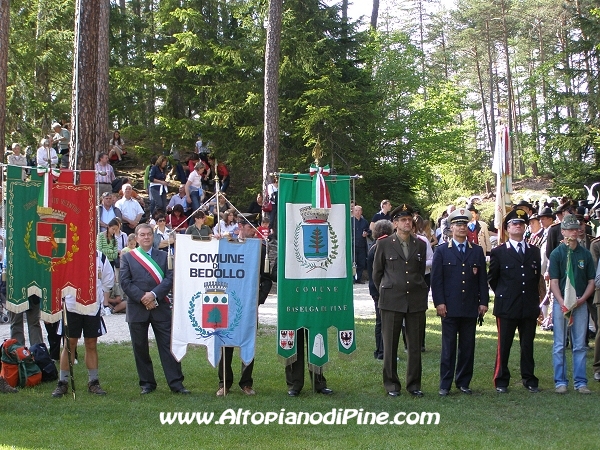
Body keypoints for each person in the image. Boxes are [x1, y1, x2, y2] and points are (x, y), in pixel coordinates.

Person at [120, 224, 189, 395]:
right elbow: (125, 282)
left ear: (153, 236)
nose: (146, 237)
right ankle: (147, 383)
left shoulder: (165, 256)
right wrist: (143, 298)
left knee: (167, 347)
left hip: (160, 307)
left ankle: (176, 383)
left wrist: (153, 295)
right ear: (136, 238)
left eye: (149, 234)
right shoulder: (127, 258)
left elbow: (170, 278)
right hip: (137, 308)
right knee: (140, 347)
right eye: (142, 235)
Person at [431, 208, 489, 396]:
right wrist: (439, 302)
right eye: (457, 224)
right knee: (448, 347)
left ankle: (463, 382)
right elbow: (436, 280)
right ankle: (445, 384)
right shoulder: (441, 251)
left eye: (464, 224)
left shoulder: (477, 251)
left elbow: (482, 279)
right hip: (449, 306)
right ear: (451, 228)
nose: (461, 228)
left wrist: (483, 302)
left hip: (470, 306)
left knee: (467, 347)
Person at [372, 204, 428, 397]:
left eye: (409, 220)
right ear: (395, 223)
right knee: (390, 344)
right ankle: (391, 384)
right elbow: (377, 273)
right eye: (403, 220)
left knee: (414, 345)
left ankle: (414, 385)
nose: (407, 223)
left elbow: (419, 272)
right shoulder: (384, 244)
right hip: (391, 299)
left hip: (414, 299)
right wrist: (388, 288)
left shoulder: (420, 244)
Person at [488, 209, 541, 393]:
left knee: (527, 345)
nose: (517, 226)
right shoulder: (499, 252)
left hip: (528, 305)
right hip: (507, 306)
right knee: (504, 346)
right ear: (507, 229)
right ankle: (501, 380)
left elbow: (536, 278)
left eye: (521, 223)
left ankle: (529, 378)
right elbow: (493, 279)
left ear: (525, 227)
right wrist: (505, 294)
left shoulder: (534, 252)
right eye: (513, 224)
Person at [217, 219, 271, 396]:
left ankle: (246, 383)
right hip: (227, 303)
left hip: (248, 304)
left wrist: (257, 299)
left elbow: (266, 278)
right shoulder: (224, 245)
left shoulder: (259, 248)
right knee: (225, 343)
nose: (254, 231)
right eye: (250, 227)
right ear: (240, 227)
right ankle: (224, 382)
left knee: (248, 342)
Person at [51, 251, 114, 397]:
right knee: (69, 343)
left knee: (91, 343)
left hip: (92, 305)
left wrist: (100, 297)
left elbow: (107, 280)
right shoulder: (68, 253)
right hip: (72, 305)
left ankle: (93, 382)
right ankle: (63, 382)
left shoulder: (100, 256)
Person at [550, 214, 596, 394]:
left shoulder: (584, 253)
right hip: (561, 303)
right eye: (570, 229)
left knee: (579, 344)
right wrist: (562, 302)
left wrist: (582, 299)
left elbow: (591, 280)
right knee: (560, 344)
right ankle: (560, 381)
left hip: (580, 303)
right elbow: (554, 282)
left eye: (576, 229)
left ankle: (580, 382)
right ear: (563, 232)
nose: (574, 232)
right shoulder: (557, 254)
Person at [367, 219, 394, 360]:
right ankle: (383, 352)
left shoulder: (374, 244)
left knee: (380, 321)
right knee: (384, 321)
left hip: (375, 288)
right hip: (381, 288)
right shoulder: (382, 245)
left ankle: (380, 350)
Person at [352, 205, 370, 283]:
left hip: (362, 245)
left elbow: (369, 230)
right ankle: (352, 278)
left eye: (359, 211)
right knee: (353, 262)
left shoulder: (364, 221)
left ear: (361, 212)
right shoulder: (350, 221)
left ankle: (358, 278)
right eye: (356, 210)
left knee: (361, 263)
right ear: (353, 211)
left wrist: (366, 233)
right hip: (353, 244)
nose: (358, 212)